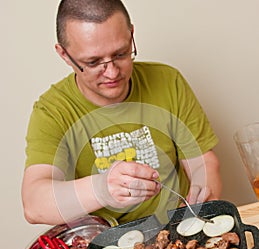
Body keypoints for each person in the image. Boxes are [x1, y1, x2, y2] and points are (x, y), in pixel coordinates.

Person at [22, 0, 222, 226]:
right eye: (93, 61)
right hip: (107, 243)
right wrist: (102, 189)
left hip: (177, 224)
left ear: (132, 35)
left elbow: (202, 162)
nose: (112, 72)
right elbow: (34, 205)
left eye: (121, 54)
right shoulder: (52, 111)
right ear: (65, 55)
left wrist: (201, 202)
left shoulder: (168, 81)